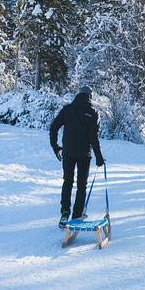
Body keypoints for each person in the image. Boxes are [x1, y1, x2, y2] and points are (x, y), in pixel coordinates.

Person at [50, 87, 104, 227]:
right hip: (84, 154)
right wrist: (99, 157)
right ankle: (77, 215)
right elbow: (93, 137)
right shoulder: (93, 113)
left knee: (67, 181)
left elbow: (53, 127)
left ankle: (65, 212)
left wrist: (55, 147)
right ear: (90, 97)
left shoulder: (67, 109)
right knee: (81, 185)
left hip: (68, 152)